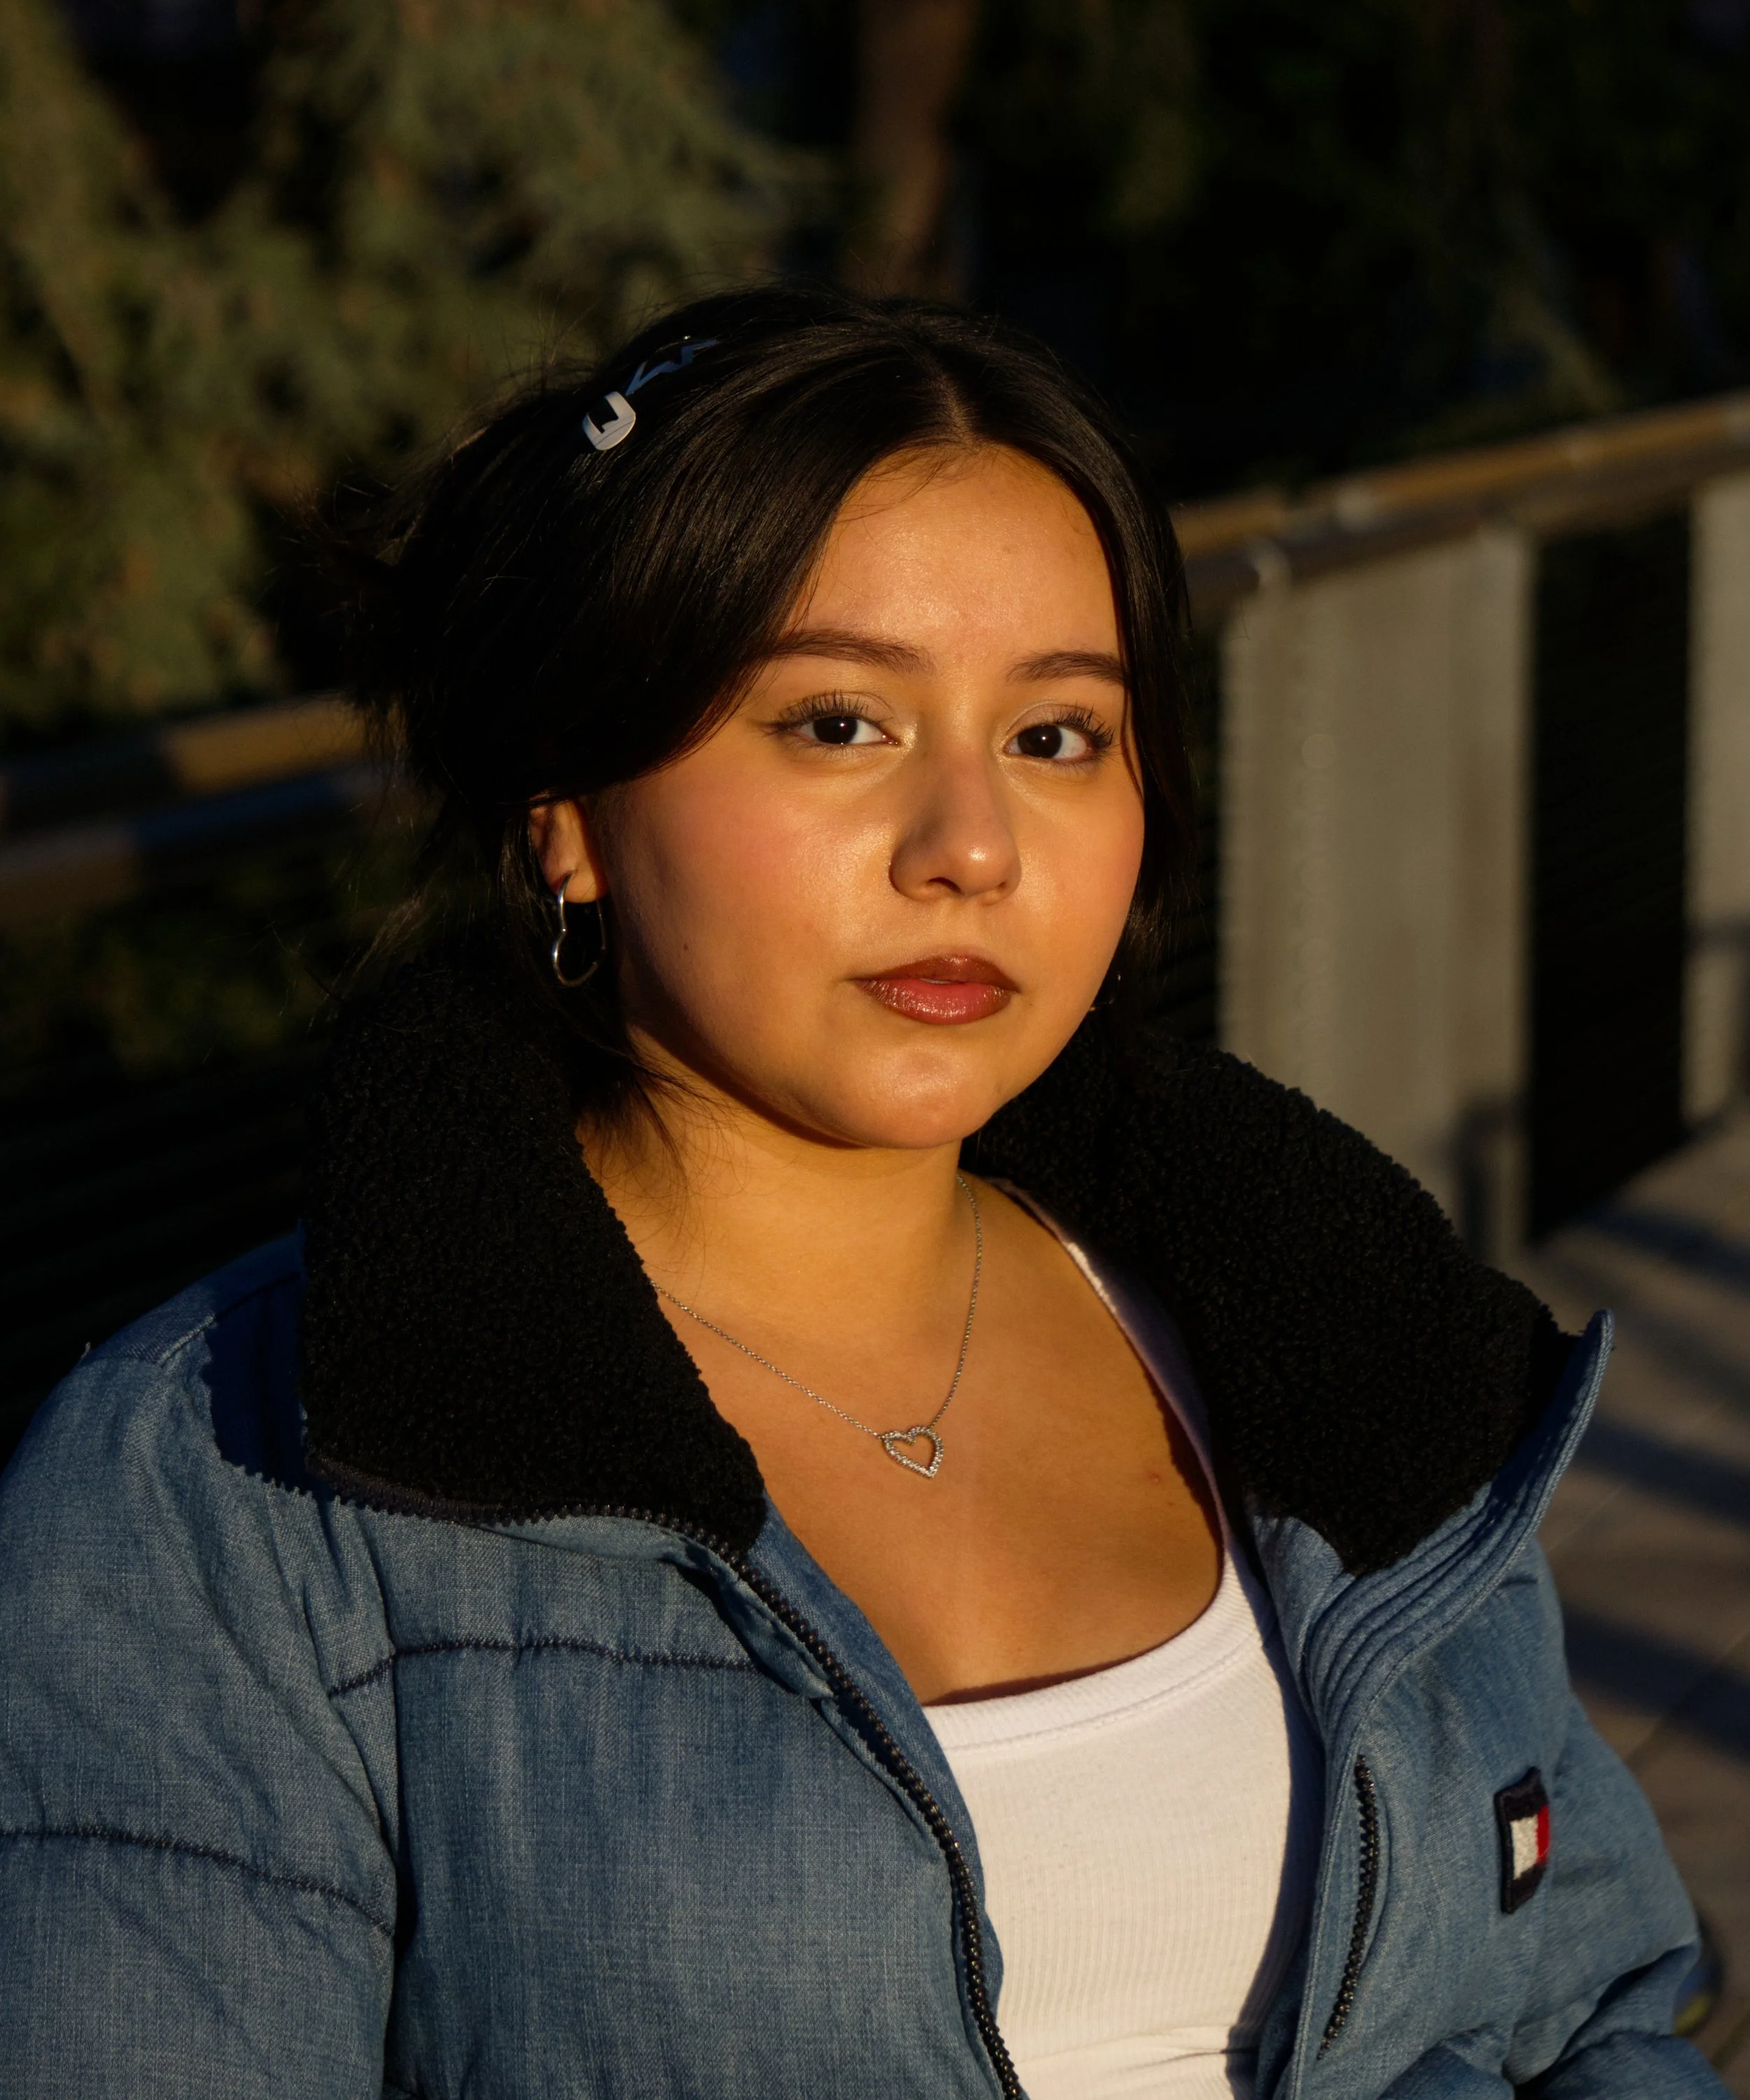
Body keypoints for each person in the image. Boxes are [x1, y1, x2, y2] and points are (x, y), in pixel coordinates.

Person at [0, 286, 1722, 2100]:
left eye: (1055, 734)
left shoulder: (1351, 1349)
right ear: (561, 805)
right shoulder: (219, 1500)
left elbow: (1589, 2010)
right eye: (838, 722)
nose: (968, 845)